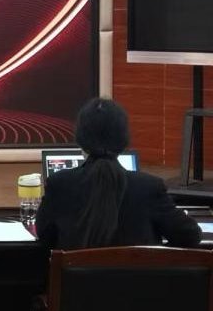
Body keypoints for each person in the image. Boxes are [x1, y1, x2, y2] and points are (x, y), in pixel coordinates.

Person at [36, 97, 200, 250]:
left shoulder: (59, 184)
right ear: (123, 140)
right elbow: (191, 235)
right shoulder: (149, 187)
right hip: (137, 273)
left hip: (76, 273)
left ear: (81, 140)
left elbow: (45, 238)